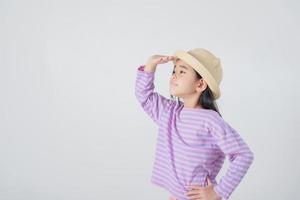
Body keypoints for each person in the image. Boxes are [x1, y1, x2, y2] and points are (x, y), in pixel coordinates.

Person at [134, 48, 254, 200]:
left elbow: (243, 155)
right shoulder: (168, 112)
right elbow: (144, 96)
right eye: (173, 71)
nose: (174, 76)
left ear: (200, 84)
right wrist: (150, 65)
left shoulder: (211, 120)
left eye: (182, 72)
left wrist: (218, 192)